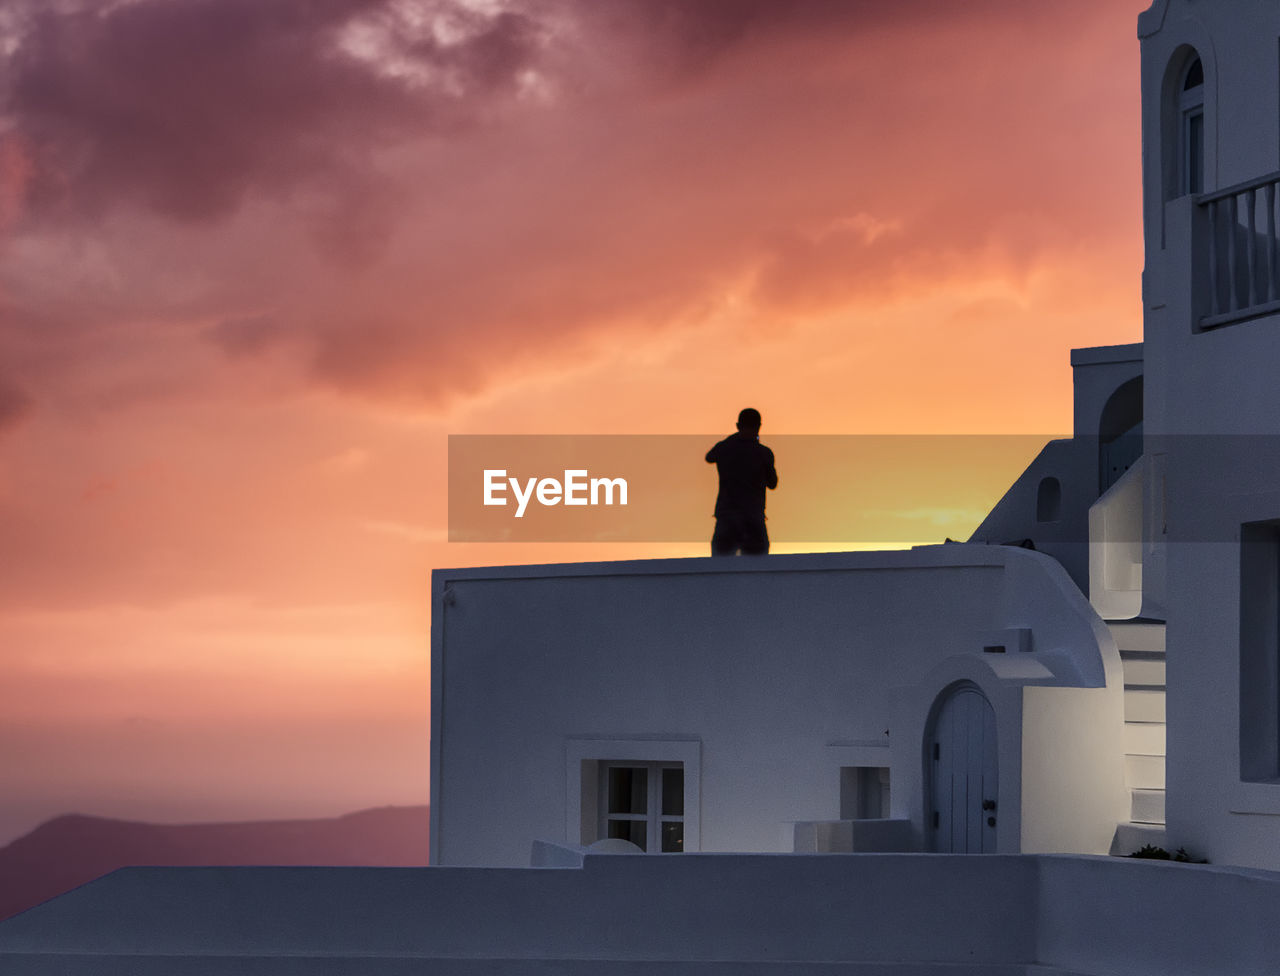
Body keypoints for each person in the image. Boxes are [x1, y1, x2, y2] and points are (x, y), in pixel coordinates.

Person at [705, 407, 777, 556]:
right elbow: (773, 483)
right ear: (759, 426)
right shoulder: (764, 453)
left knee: (720, 569)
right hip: (753, 517)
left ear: (738, 426)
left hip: (727, 517)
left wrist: (734, 438)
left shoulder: (724, 448)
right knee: (757, 570)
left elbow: (709, 457)